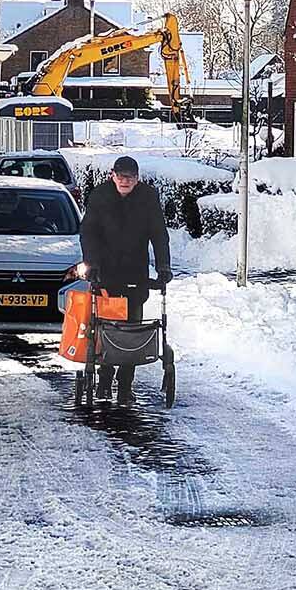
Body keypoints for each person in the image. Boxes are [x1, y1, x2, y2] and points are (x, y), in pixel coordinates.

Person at [79, 156, 171, 405]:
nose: (125, 181)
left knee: (132, 331)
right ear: (113, 175)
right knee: (107, 327)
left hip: (135, 274)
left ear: (137, 178)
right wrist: (92, 264)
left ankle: (125, 385)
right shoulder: (100, 196)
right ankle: (104, 379)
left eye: (130, 177)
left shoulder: (148, 197)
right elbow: (89, 233)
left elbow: (158, 234)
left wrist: (163, 266)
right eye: (120, 176)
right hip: (105, 273)